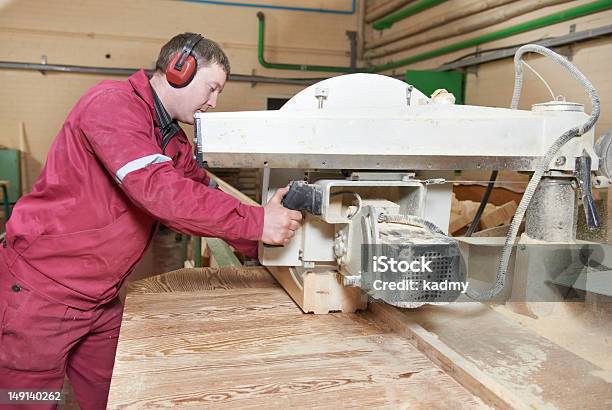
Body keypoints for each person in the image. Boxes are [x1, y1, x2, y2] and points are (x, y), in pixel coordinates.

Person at [0, 32, 302, 409]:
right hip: (42, 292)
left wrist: (266, 242)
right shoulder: (113, 105)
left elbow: (201, 192)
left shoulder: (171, 140)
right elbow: (160, 192)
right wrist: (257, 222)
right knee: (27, 400)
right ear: (180, 68)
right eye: (211, 88)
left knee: (116, 395)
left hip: (100, 298)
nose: (213, 102)